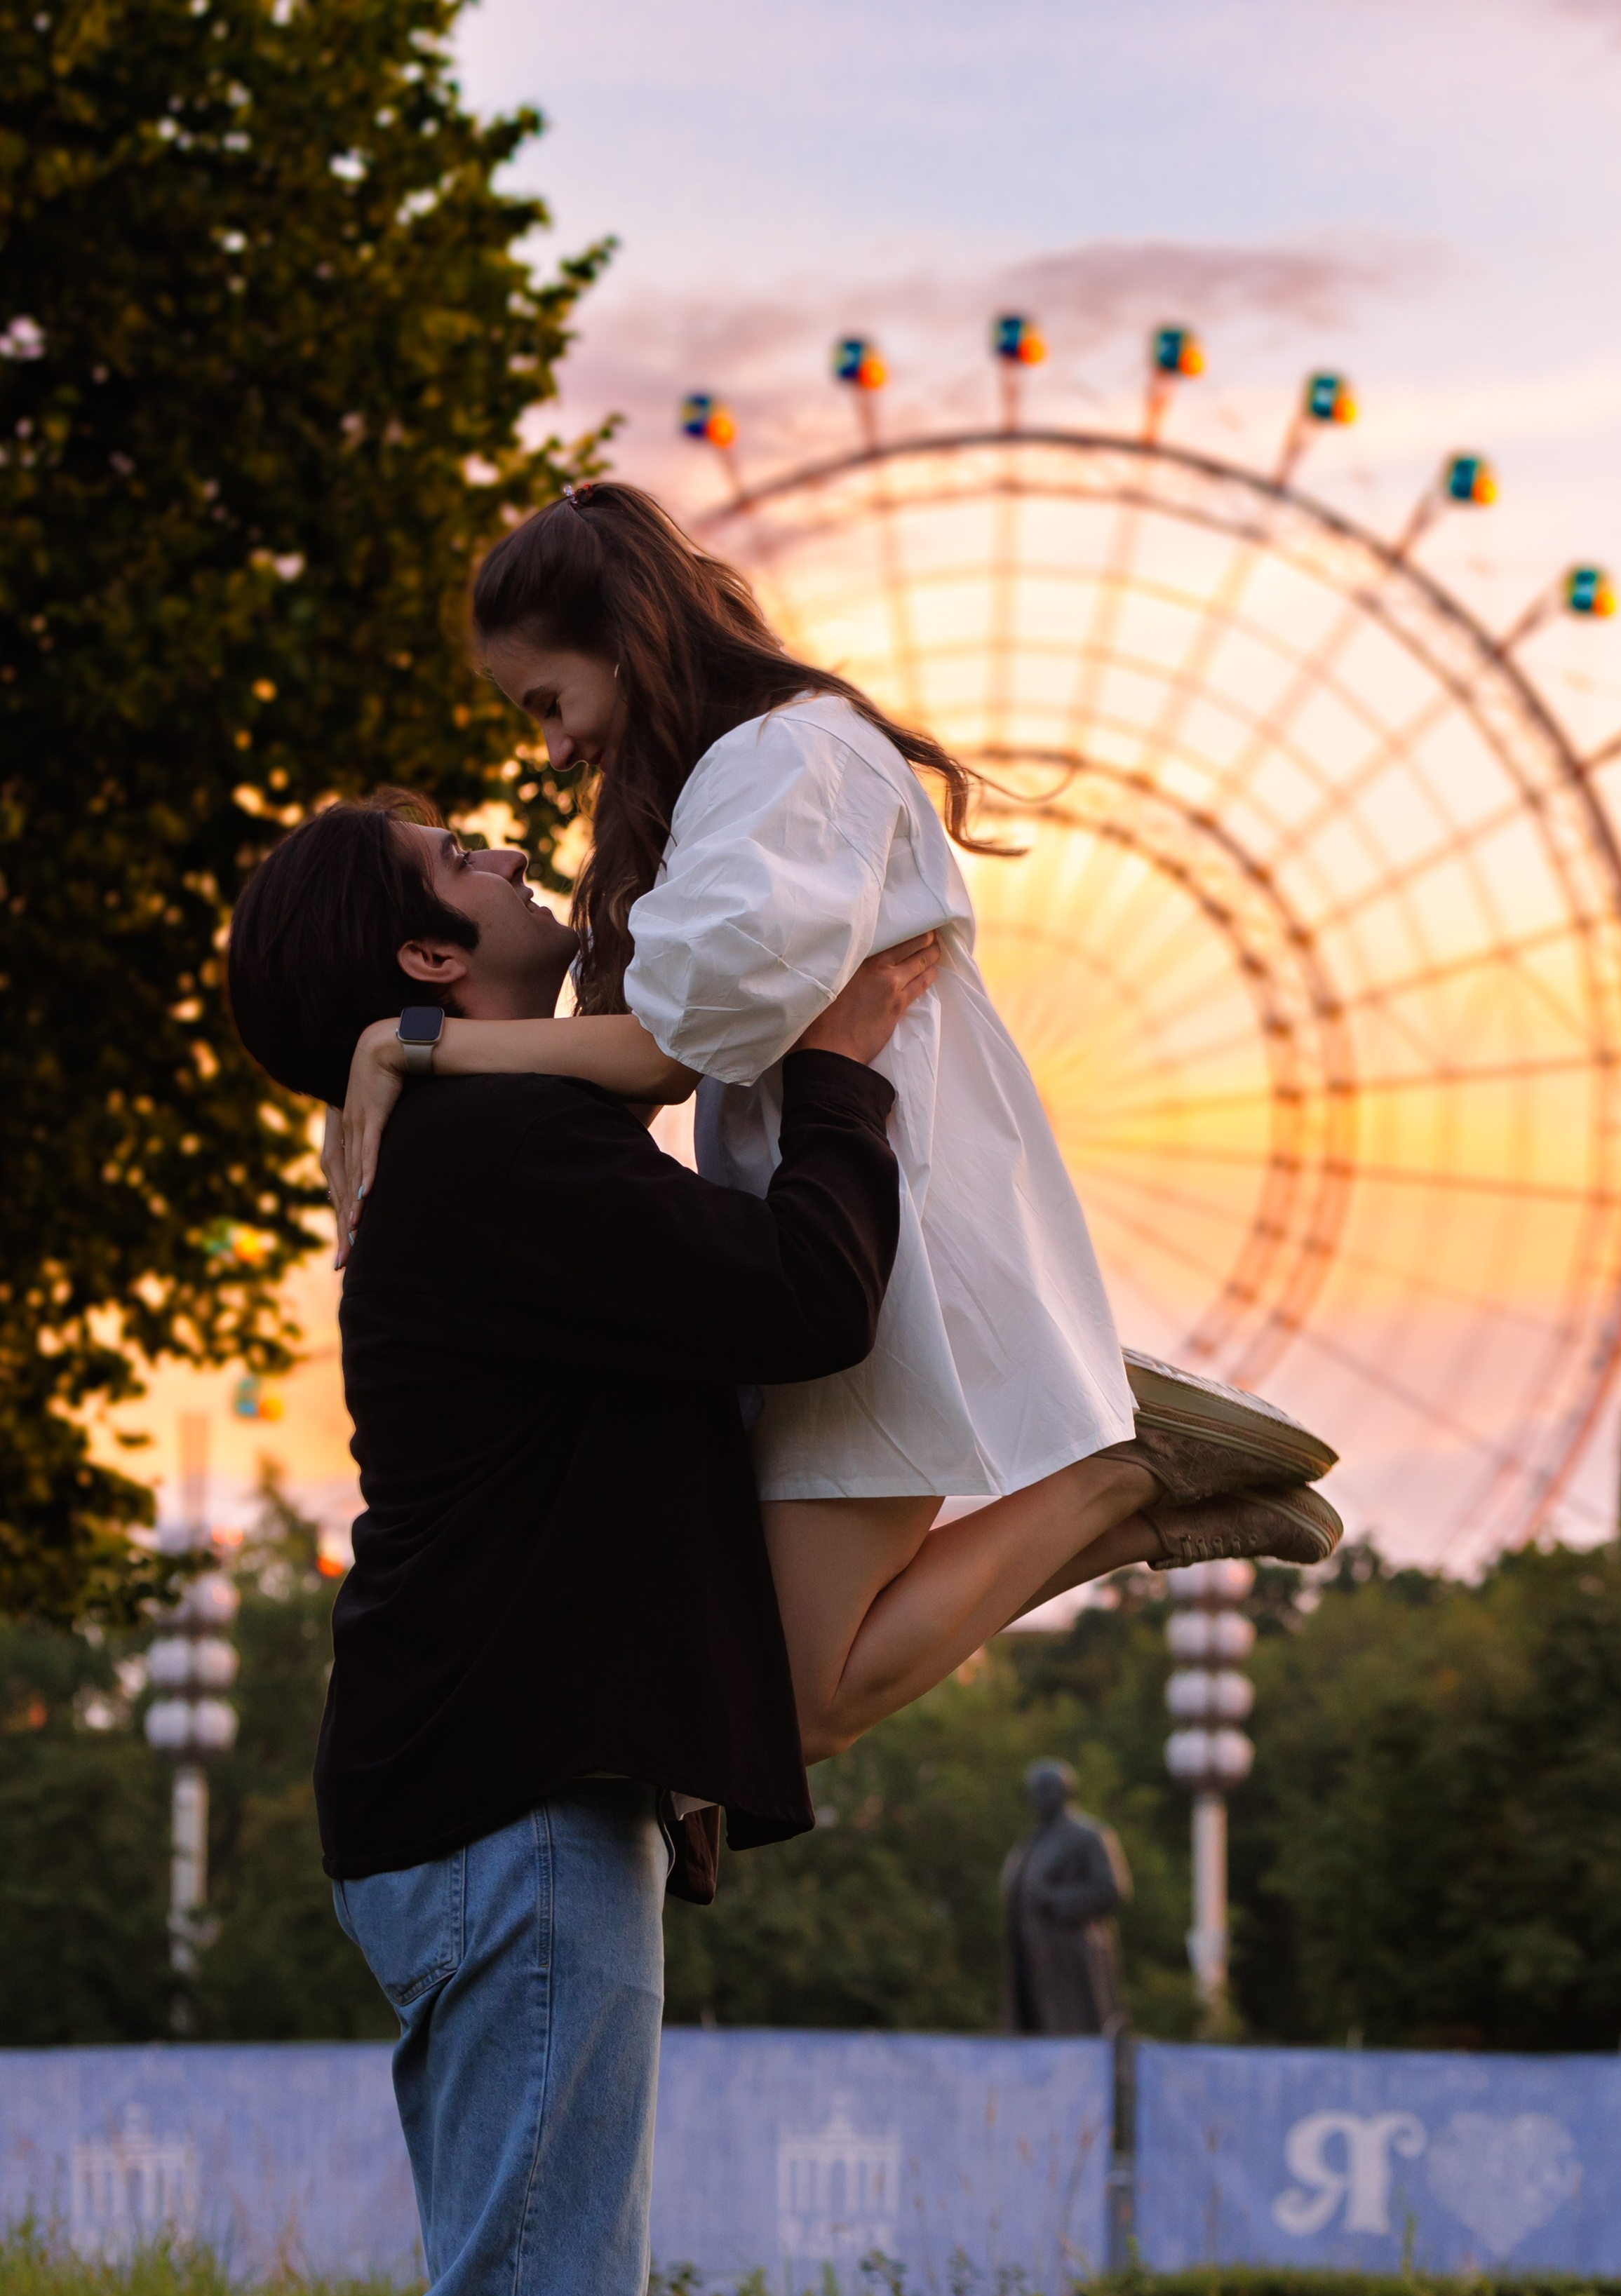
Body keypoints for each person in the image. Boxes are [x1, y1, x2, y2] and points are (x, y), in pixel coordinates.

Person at [330, 482, 1343, 1750]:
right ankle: (1139, 1491)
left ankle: (1121, 1469)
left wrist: (416, 1042)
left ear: (626, 637)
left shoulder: (789, 760)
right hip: (831, 1217)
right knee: (790, 1677)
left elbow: (661, 1050)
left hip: (880, 1232)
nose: (549, 750)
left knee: (799, 1696)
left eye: (548, 701)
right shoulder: (743, 778)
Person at [225, 788, 933, 2296]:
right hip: (508, 1806)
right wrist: (842, 1070)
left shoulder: (481, 1137)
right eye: (463, 858)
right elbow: (799, 1295)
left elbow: (659, 1081)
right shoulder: (486, 1156)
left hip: (483, 1798)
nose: (508, 849)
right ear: (427, 952)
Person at [1001, 1758, 1133, 2037]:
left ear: (1061, 1792)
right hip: (1032, 1955)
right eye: (1032, 1793)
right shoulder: (1031, 1841)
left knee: (1075, 2031)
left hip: (1072, 1954)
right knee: (1033, 2028)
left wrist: (1054, 1899)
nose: (1035, 1800)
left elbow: (1111, 1890)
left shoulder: (1089, 1835)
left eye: (1041, 1791)